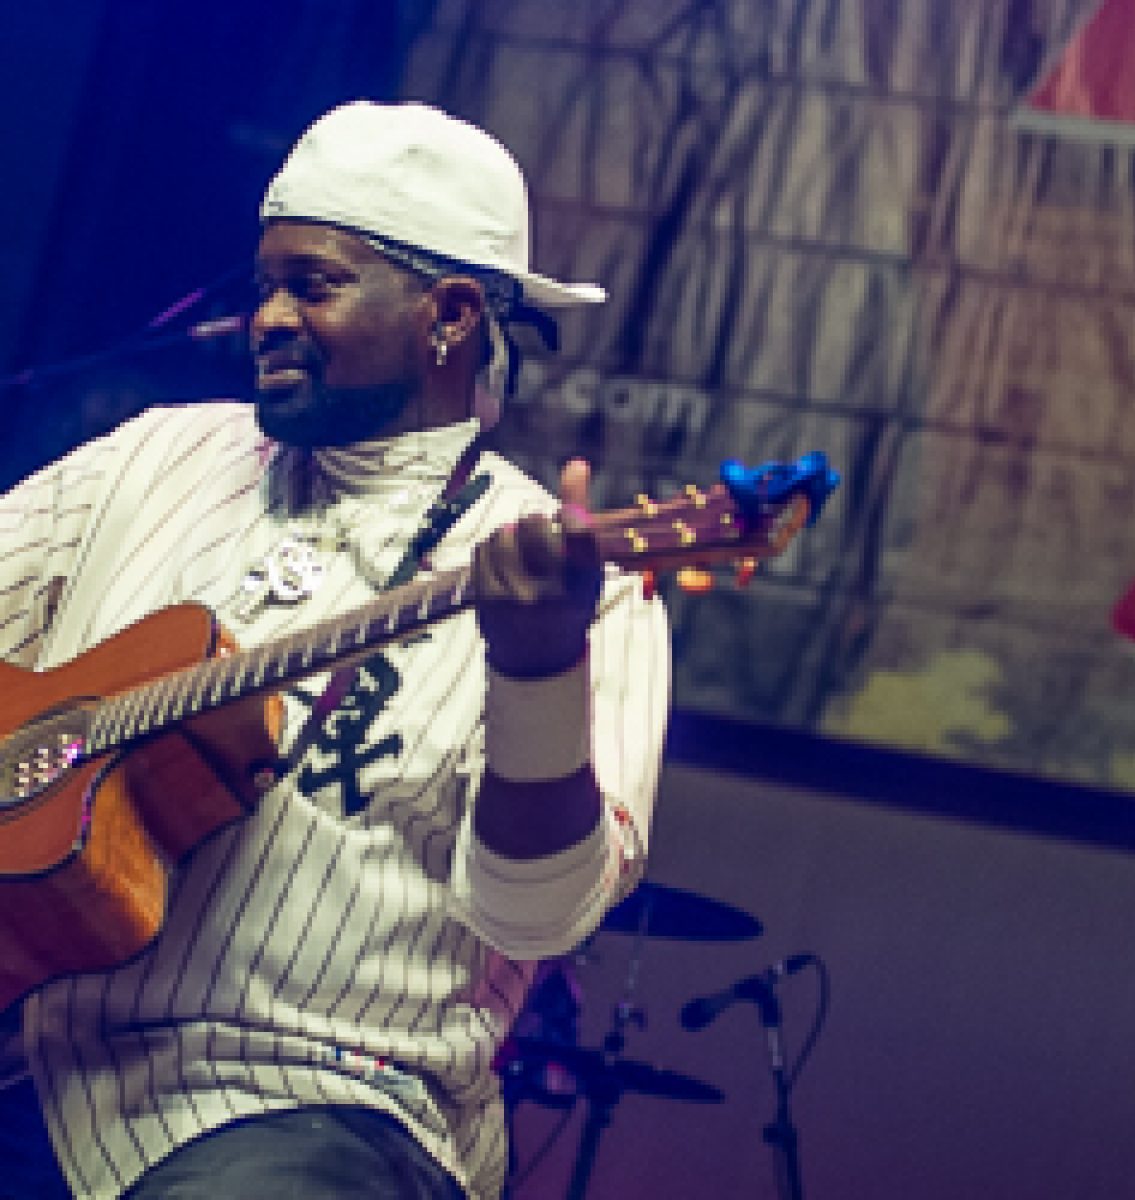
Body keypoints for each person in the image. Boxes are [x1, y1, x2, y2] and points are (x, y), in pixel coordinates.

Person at [0, 101, 670, 1198]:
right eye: (265, 284)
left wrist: (538, 669)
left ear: (449, 315)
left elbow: (539, 915)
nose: (267, 317)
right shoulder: (156, 456)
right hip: (36, 1058)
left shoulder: (583, 589)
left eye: (312, 285)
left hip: (323, 1104)